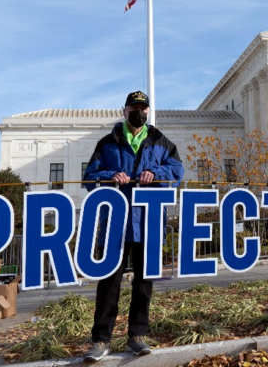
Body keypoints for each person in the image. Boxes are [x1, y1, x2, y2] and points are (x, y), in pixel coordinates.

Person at [81, 91, 184, 362]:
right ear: (124, 111)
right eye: (134, 108)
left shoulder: (161, 142)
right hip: (115, 223)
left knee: (144, 283)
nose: (139, 112)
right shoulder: (107, 143)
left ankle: (137, 336)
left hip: (148, 222)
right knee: (108, 284)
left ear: (147, 111)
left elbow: (177, 172)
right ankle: (100, 340)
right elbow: (89, 177)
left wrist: (157, 173)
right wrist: (109, 175)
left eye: (143, 108)